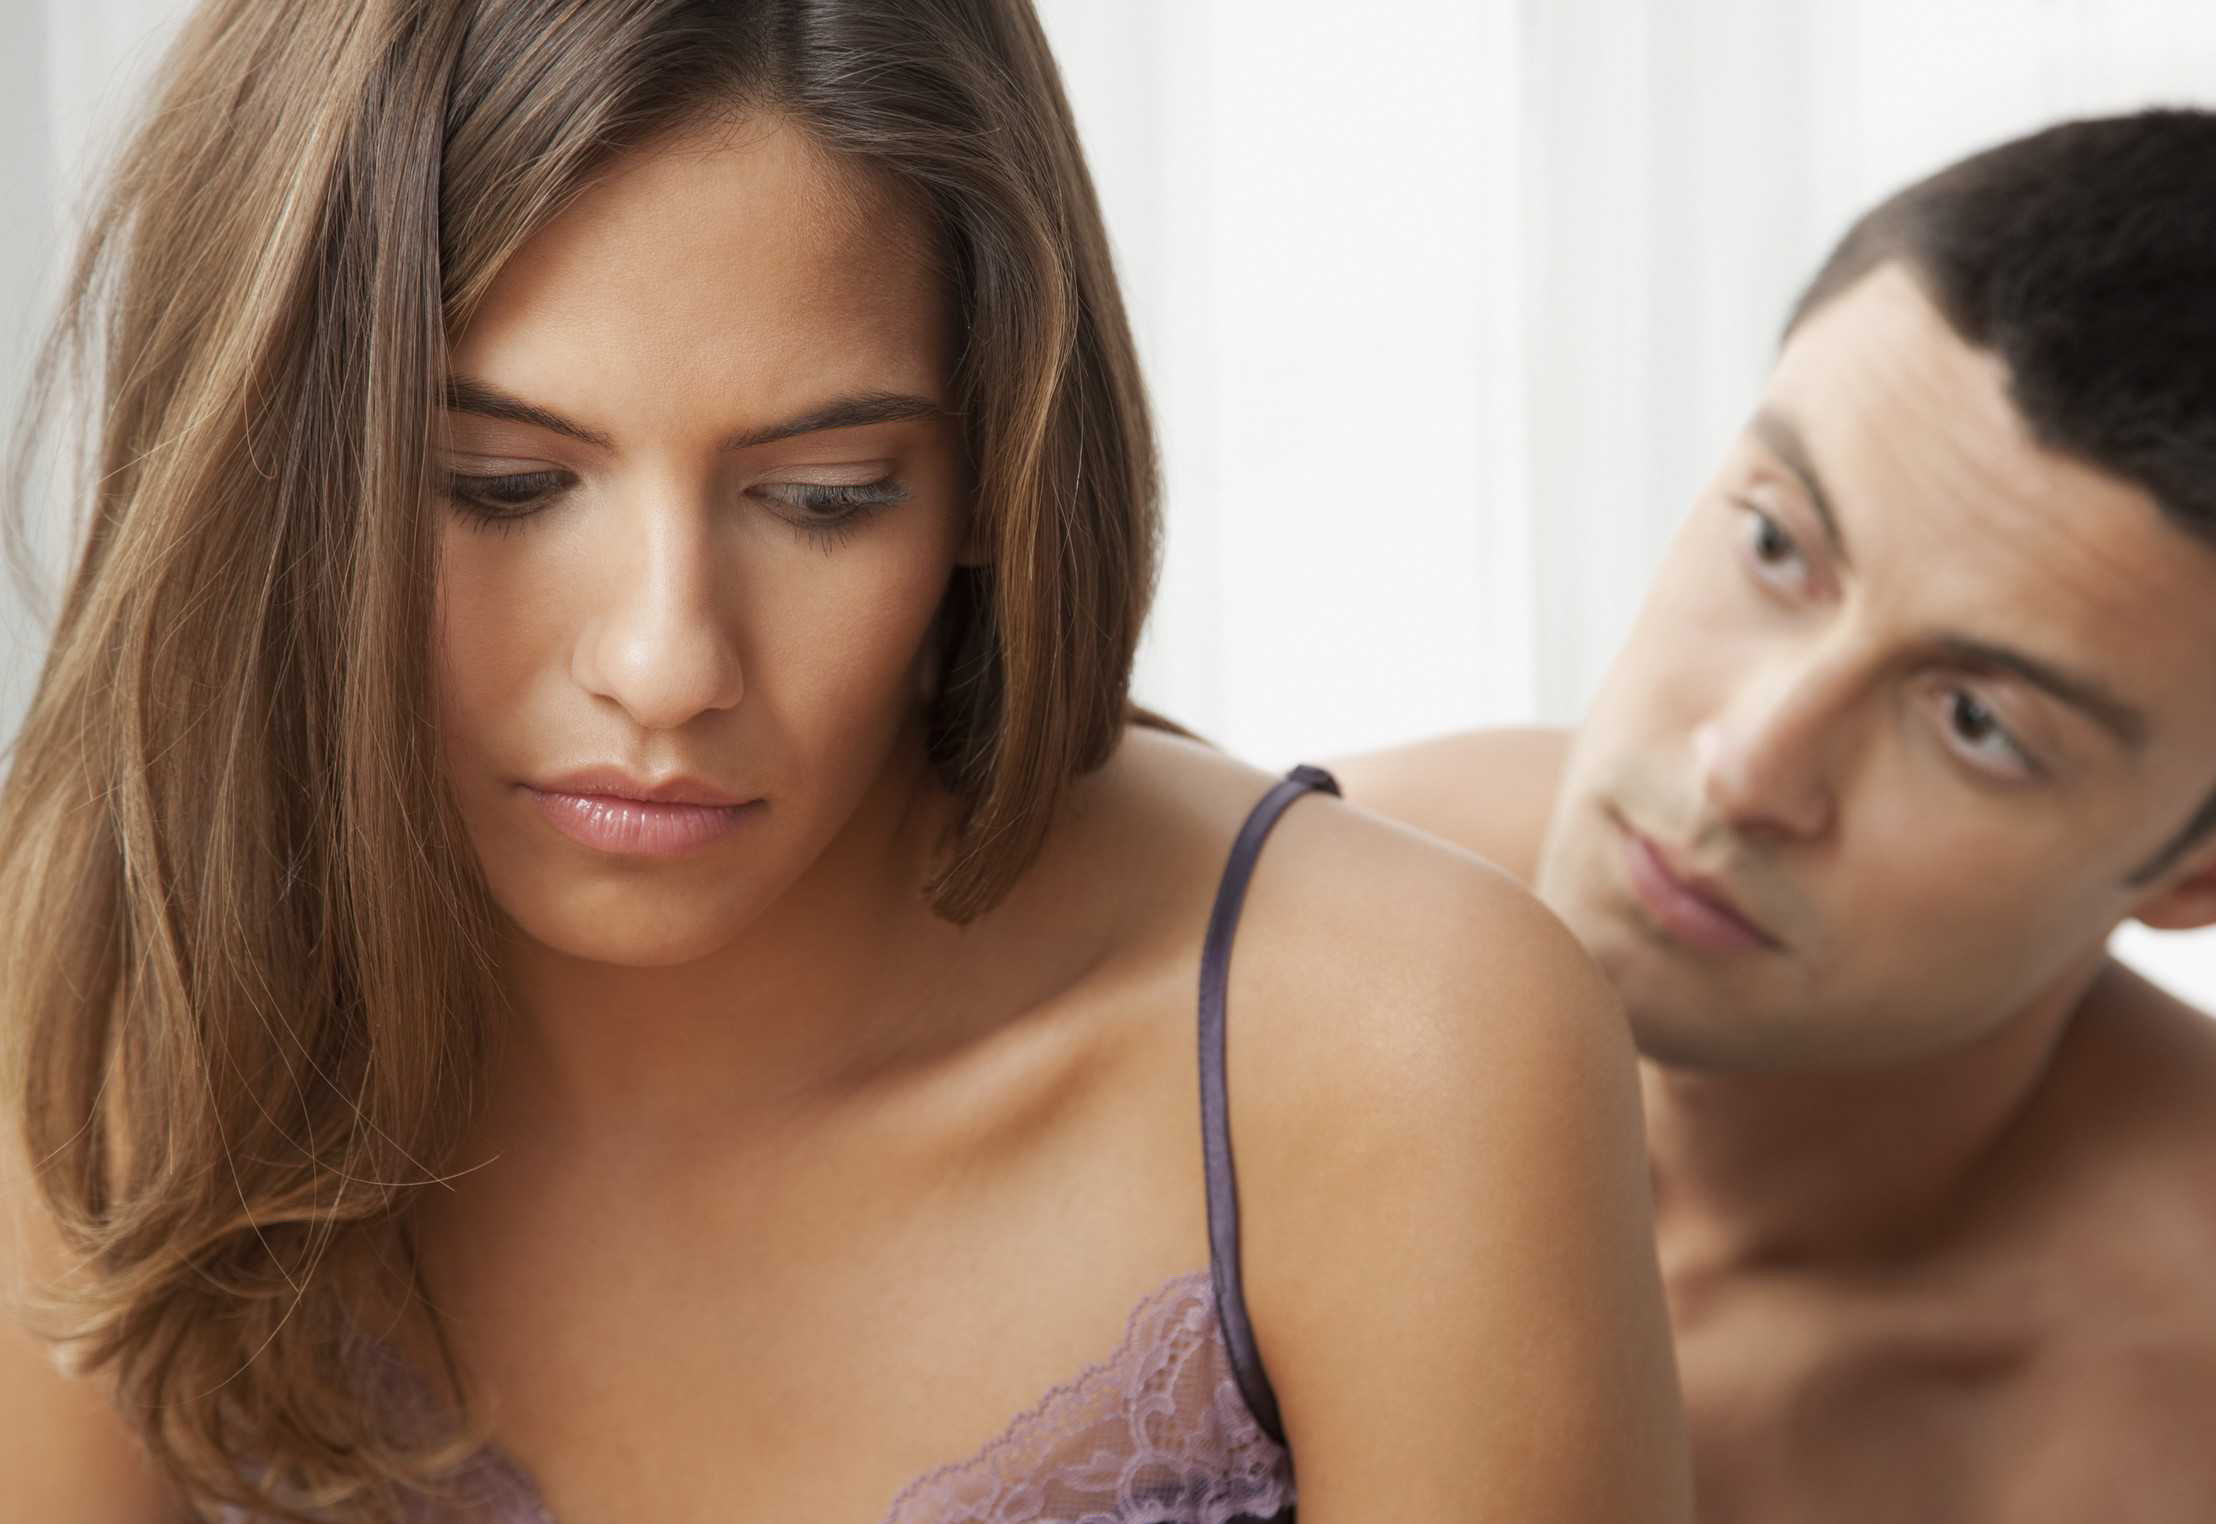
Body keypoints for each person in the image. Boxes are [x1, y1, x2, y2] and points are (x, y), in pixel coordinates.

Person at [0, 3, 1690, 1521]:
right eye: (501, 485)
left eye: (826, 499)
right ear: (264, 463)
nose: (667, 664)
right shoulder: (111, 974)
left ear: (993, 475)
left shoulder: (1397, 1057)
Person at [1336, 110, 2216, 1523]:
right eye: (1774, 543)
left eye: (1977, 724)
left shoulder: (2158, 1424)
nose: (1746, 767)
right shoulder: (1284, 913)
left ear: (2194, 874)